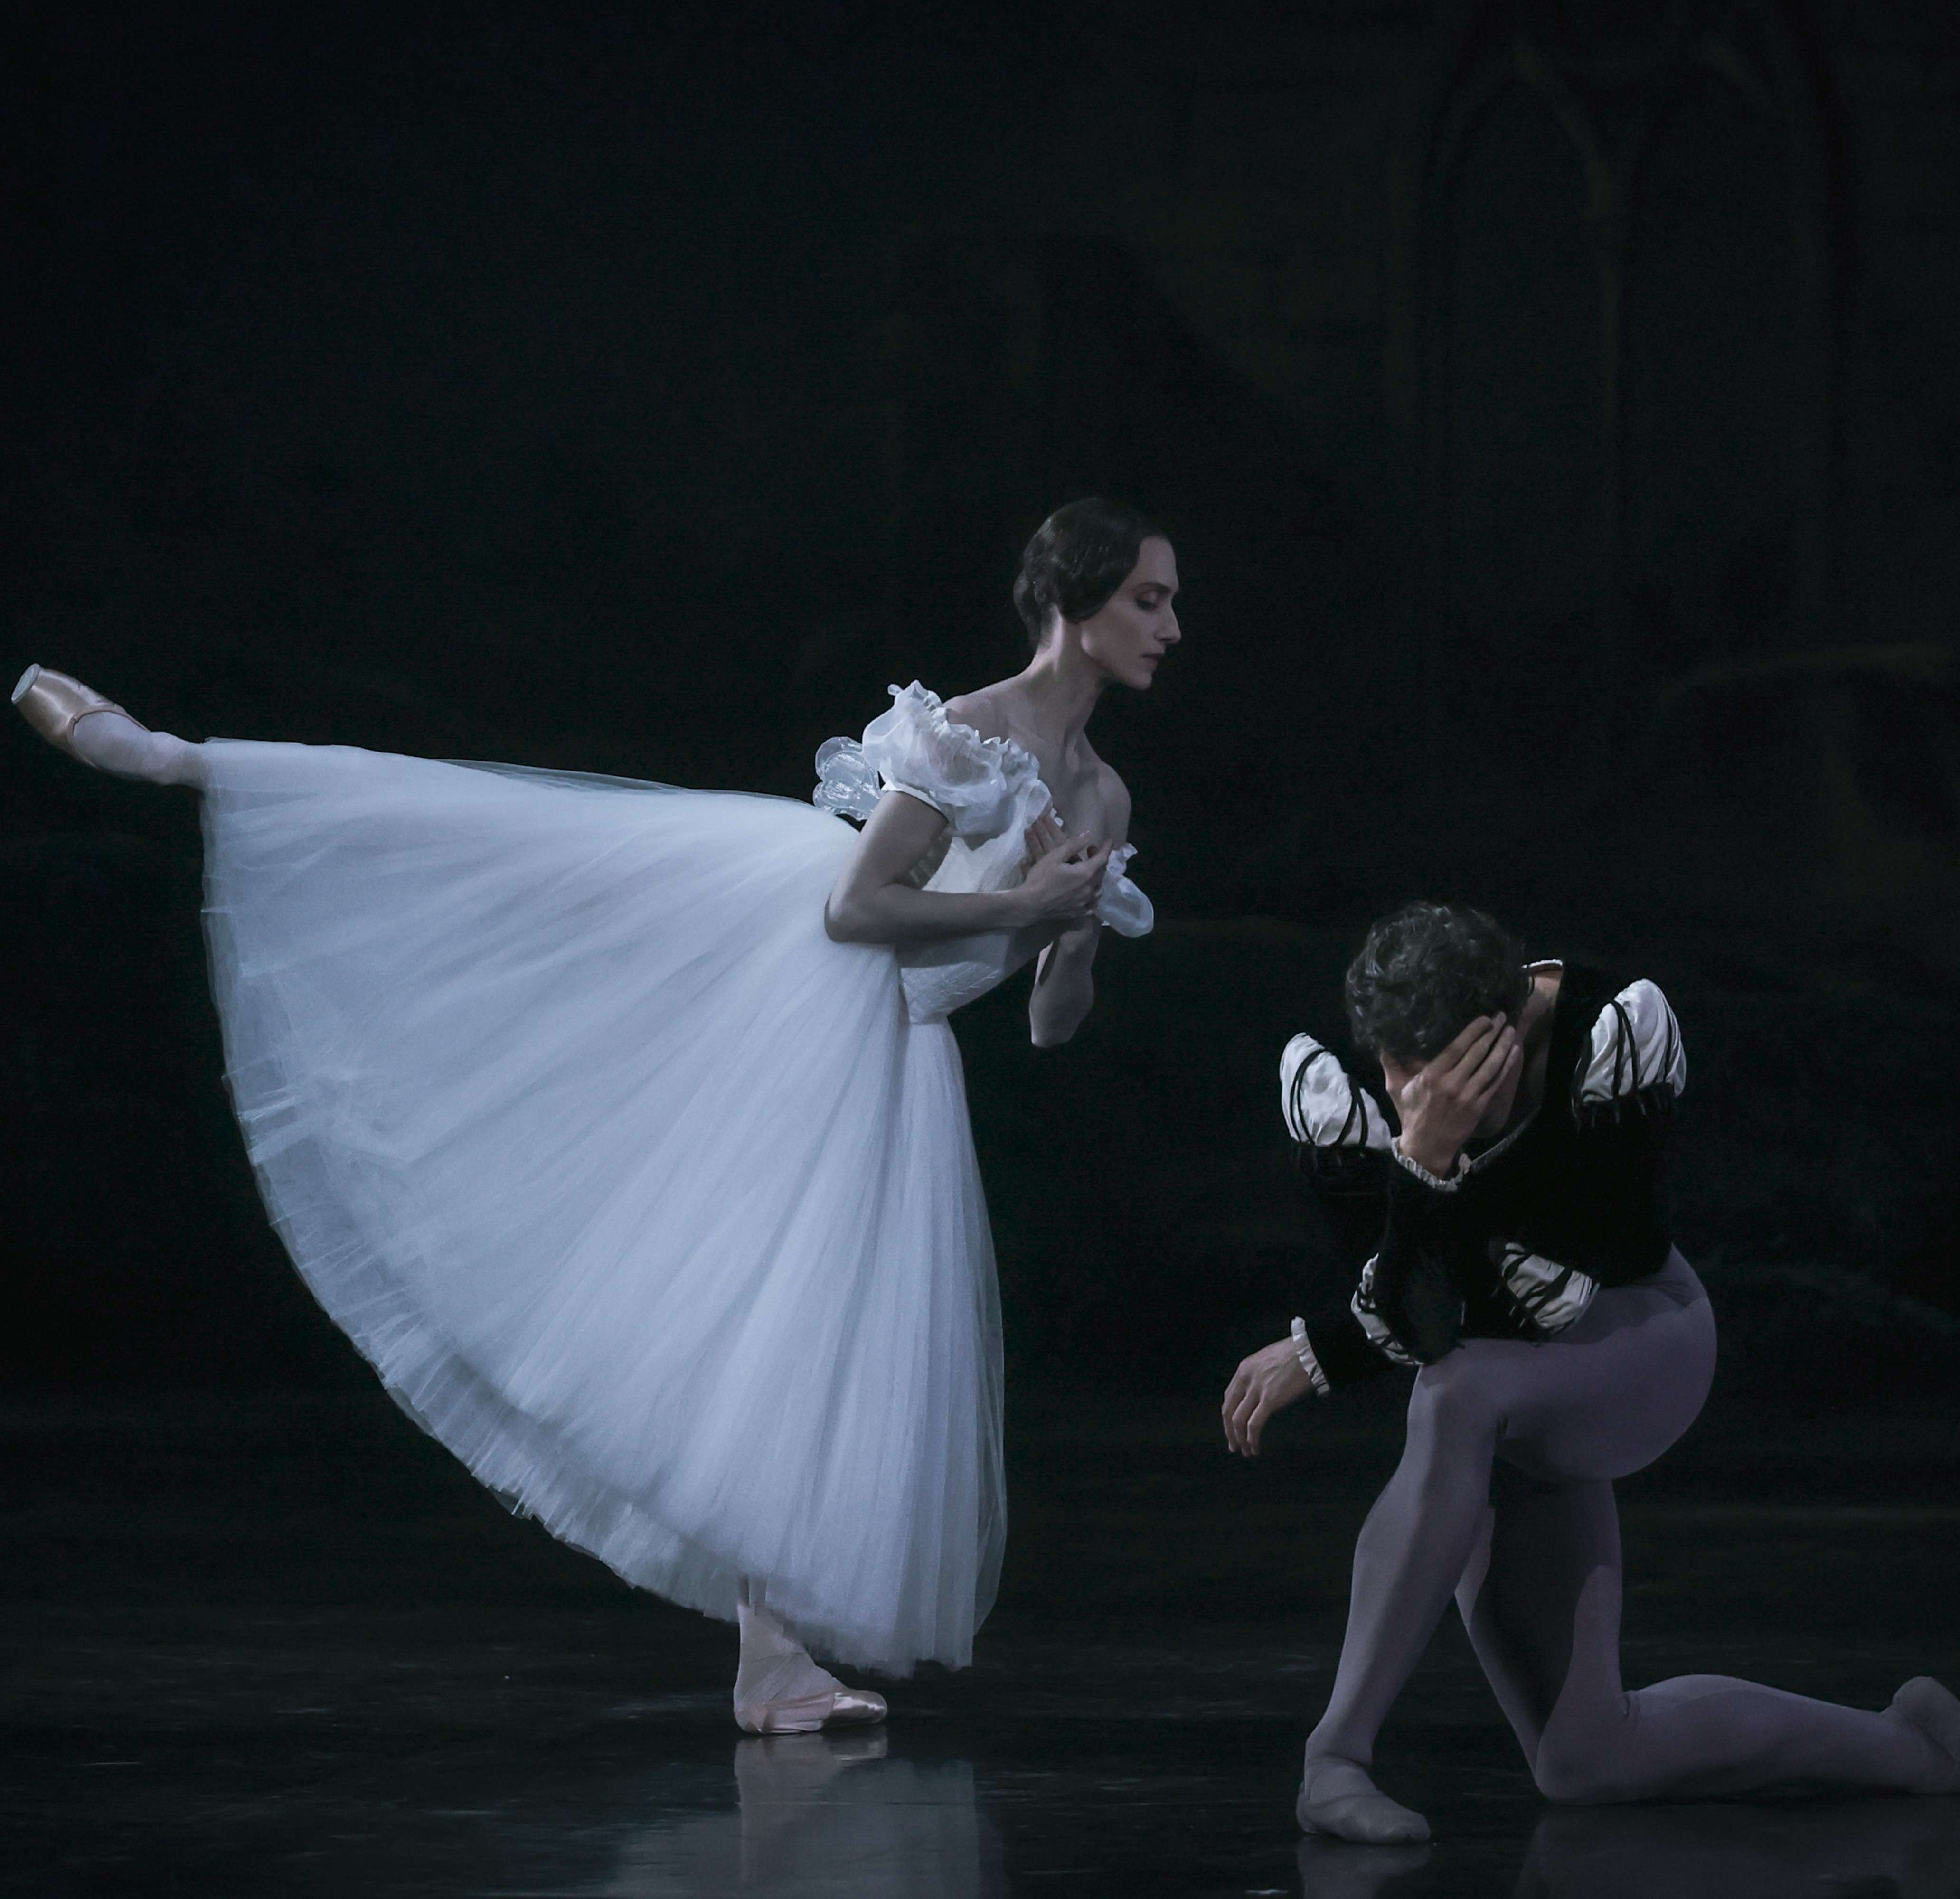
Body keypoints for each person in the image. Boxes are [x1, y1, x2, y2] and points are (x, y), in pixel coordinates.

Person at [15, 495, 1180, 1734]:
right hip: (802, 979)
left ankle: (771, 1659)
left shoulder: (1098, 796)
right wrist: (1016, 907)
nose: (1169, 626)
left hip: (902, 1045)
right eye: (1147, 599)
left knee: (811, 1327)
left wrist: (1071, 928)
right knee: (513, 872)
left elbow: (1052, 1027)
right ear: (1071, 607)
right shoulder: (968, 734)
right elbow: (857, 906)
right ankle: (183, 762)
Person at [1222, 901, 1960, 1843]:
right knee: (1586, 1758)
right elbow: (1426, 1318)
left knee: (1456, 1388)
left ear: (1497, 1038)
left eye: (1429, 1073)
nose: (1403, 1096)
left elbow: (1571, 1280)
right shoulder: (1358, 1094)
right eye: (1388, 1068)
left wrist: (1347, 1320)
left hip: (1637, 1341)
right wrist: (1410, 1179)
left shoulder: (1604, 1033)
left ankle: (1334, 1756)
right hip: (1505, 1398)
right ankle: (1913, 1748)